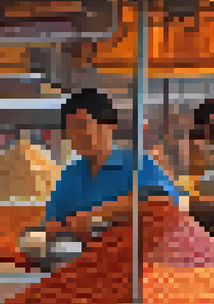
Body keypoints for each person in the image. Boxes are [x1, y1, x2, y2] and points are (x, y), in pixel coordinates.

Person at [43, 88, 182, 235]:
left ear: (110, 124)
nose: (76, 135)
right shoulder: (70, 175)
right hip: (83, 255)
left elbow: (163, 200)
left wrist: (100, 215)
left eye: (82, 126)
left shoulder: (137, 163)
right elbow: (52, 221)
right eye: (69, 130)